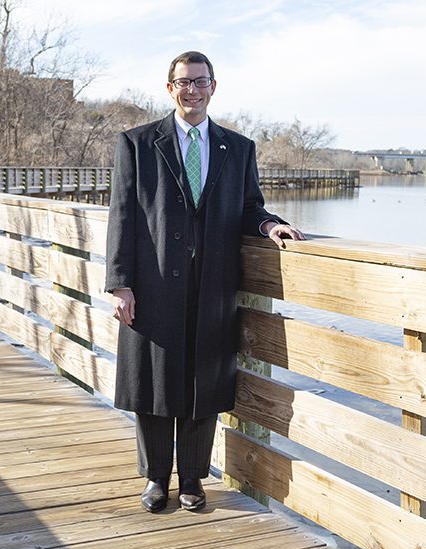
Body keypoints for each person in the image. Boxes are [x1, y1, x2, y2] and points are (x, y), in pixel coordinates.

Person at [104, 51, 304, 513]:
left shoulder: (237, 148)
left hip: (212, 285)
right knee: (153, 383)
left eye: (200, 81)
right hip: (153, 284)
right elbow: (122, 215)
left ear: (214, 86)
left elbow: (251, 206)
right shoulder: (136, 142)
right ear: (169, 88)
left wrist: (270, 226)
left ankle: (193, 477)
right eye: (183, 82)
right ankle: (156, 478)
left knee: (203, 381)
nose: (191, 90)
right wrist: (121, 283)